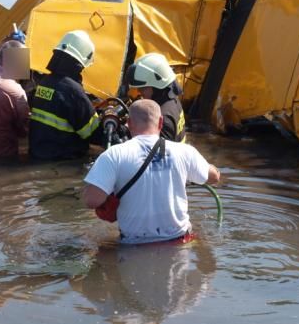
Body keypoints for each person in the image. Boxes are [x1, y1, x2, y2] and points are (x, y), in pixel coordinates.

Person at [83, 99, 220, 244]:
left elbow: (92, 200)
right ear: (160, 122)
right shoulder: (184, 151)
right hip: (179, 242)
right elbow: (214, 177)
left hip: (133, 245)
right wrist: (210, 167)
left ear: (129, 123)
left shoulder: (113, 155)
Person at [28, 30, 102, 160]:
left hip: (37, 155)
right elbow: (94, 134)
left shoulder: (45, 82)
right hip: (63, 160)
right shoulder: (73, 92)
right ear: (80, 62)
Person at [125, 53, 186, 142]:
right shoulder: (172, 100)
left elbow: (155, 153)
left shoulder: (163, 119)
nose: (139, 91)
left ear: (157, 87)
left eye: (143, 88)